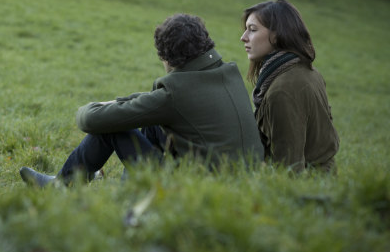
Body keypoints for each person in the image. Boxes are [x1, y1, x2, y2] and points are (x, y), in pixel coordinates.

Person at [19, 13, 264, 187]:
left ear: (167, 58)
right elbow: (156, 104)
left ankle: (62, 186)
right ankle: (128, 187)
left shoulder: (176, 92)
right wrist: (126, 103)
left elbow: (90, 121)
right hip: (239, 183)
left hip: (197, 188)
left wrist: (104, 107)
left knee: (112, 129)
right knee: (152, 121)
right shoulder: (228, 74)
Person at [241, 0, 339, 172]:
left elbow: (289, 168)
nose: (243, 37)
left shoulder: (283, 91)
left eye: (253, 30)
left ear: (277, 35)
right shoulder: (306, 70)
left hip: (310, 188)